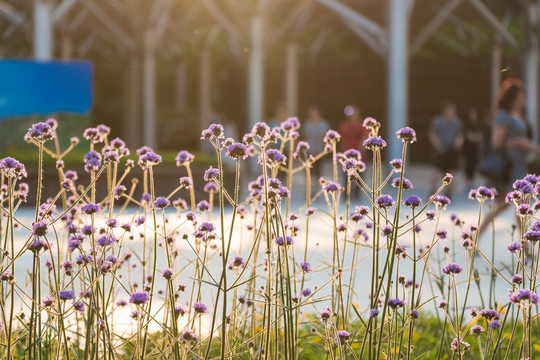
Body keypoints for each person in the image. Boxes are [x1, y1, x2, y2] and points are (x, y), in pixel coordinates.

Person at [479, 78, 540, 235]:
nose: (523, 99)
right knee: (516, 206)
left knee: (510, 206)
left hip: (520, 164)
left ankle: (525, 246)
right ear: (512, 97)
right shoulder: (503, 116)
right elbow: (497, 143)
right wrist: (521, 142)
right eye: (520, 96)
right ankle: (526, 246)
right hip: (508, 167)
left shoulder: (518, 115)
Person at [428, 100, 463, 198]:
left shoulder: (456, 122)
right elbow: (432, 134)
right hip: (440, 149)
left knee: (451, 172)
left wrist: (458, 142)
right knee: (437, 172)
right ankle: (432, 191)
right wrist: (438, 145)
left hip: (451, 150)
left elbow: (459, 134)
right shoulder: (437, 121)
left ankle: (448, 194)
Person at [303, 106, 330, 179]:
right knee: (309, 168)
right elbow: (306, 136)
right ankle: (309, 183)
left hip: (319, 149)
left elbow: (323, 136)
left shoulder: (323, 124)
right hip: (309, 150)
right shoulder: (307, 124)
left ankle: (317, 183)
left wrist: (318, 147)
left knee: (318, 168)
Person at [463, 108, 483, 191]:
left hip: (475, 150)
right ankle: (468, 184)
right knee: (468, 166)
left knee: (474, 166)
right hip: (467, 150)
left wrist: (475, 137)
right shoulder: (466, 126)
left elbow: (480, 137)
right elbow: (470, 137)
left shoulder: (477, 125)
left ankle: (472, 183)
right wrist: (475, 137)